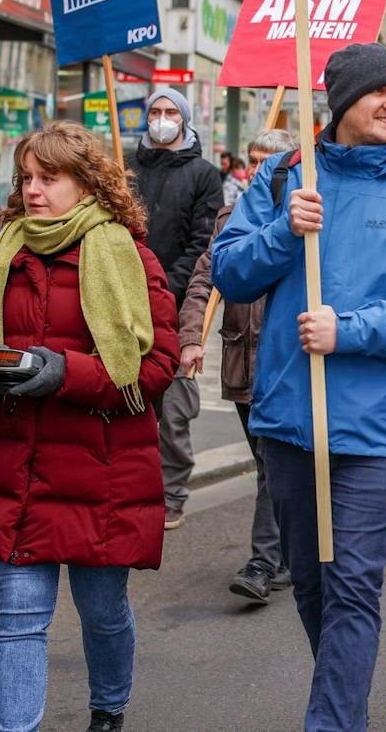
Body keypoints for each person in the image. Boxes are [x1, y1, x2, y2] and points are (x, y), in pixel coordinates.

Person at [213, 43, 386, 732]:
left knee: (354, 586)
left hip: (377, 431)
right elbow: (229, 274)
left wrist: (348, 329)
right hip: (291, 421)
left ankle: (329, 723)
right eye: (377, 92)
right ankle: (345, 709)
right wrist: (281, 231)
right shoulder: (282, 177)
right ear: (340, 102)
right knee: (312, 585)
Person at [0, 121, 179, 732]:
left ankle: (108, 709)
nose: (32, 190)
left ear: (87, 185)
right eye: (26, 177)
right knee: (18, 619)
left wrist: (61, 372)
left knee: (103, 613)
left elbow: (155, 367)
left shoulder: (129, 255)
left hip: (101, 471)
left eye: (48, 178)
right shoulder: (5, 254)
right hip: (17, 468)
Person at [178, 126, 299, 604]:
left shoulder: (308, 217)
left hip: (285, 366)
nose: (256, 169)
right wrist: (191, 338)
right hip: (240, 369)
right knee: (271, 464)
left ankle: (262, 563)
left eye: (268, 160)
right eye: (252, 159)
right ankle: (292, 550)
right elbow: (204, 279)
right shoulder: (231, 218)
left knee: (272, 464)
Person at [126, 86, 224, 531]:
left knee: (174, 407)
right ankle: (132, 487)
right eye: (155, 111)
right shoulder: (125, 167)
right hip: (125, 302)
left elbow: (203, 242)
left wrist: (162, 286)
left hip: (177, 306)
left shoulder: (203, 175)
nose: (161, 118)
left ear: (184, 120)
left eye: (170, 112)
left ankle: (172, 493)